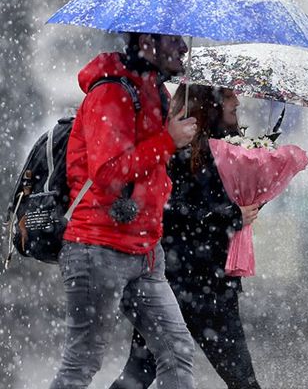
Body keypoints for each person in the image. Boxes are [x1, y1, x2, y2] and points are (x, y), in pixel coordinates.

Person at [51, 33, 198, 389]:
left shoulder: (155, 92)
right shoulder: (112, 92)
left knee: (177, 353)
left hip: (145, 251)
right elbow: (108, 172)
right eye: (173, 39)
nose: (183, 47)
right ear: (147, 41)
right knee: (81, 364)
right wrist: (168, 141)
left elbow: (152, 166)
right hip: (97, 247)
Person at [111, 84, 262, 389]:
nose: (237, 101)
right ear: (210, 103)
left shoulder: (229, 151)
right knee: (241, 382)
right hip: (184, 284)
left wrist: (253, 198)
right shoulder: (176, 152)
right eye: (229, 95)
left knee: (138, 376)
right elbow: (169, 213)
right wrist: (230, 216)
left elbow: (222, 208)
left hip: (203, 282)